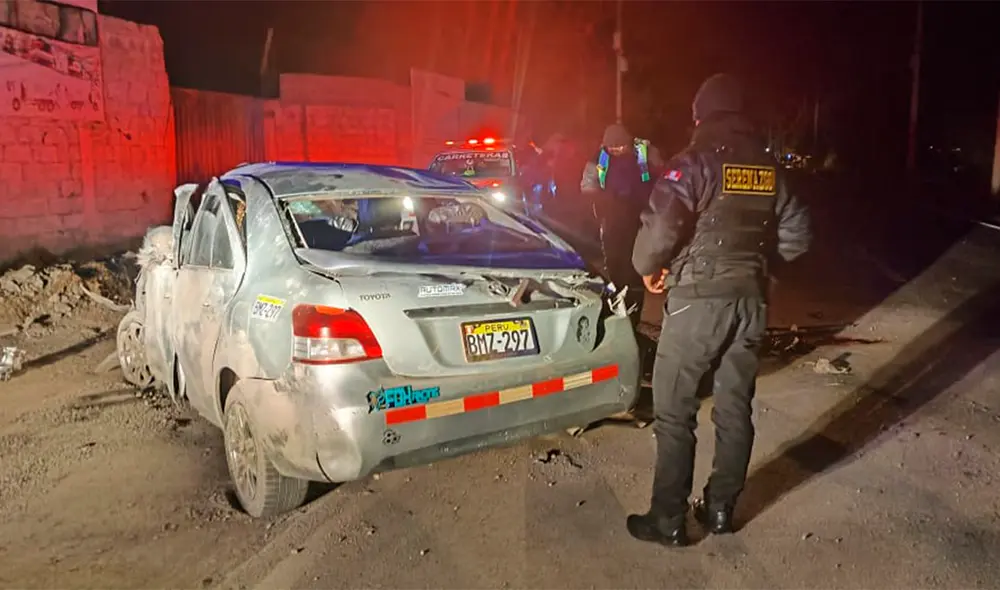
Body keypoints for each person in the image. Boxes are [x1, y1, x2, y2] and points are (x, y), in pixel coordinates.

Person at [625, 73, 811, 547]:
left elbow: (660, 229)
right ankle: (722, 510)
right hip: (750, 302)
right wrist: (756, 264)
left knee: (674, 410)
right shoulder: (771, 170)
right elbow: (798, 237)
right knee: (733, 408)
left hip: (697, 306)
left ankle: (668, 519)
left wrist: (648, 267)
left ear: (700, 115)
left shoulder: (694, 163)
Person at [580, 123, 665, 326]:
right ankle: (619, 303)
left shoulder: (646, 152)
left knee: (638, 263)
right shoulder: (599, 158)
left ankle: (635, 306)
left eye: (620, 146)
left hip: (642, 216)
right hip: (612, 218)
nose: (616, 150)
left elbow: (664, 178)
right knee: (615, 263)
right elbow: (587, 185)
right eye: (612, 147)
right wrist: (599, 203)